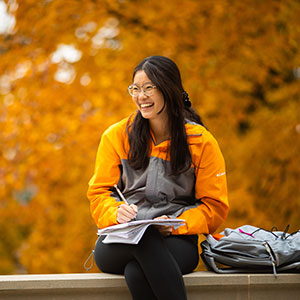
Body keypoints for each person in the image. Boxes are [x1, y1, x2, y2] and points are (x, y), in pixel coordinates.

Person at [87, 55, 229, 300]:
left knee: (136, 272)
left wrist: (176, 224)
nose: (141, 96)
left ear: (169, 89)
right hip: (119, 241)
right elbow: (99, 193)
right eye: (135, 88)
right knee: (145, 239)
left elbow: (214, 207)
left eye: (148, 88)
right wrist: (115, 212)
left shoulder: (201, 141)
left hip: (176, 241)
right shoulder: (116, 136)